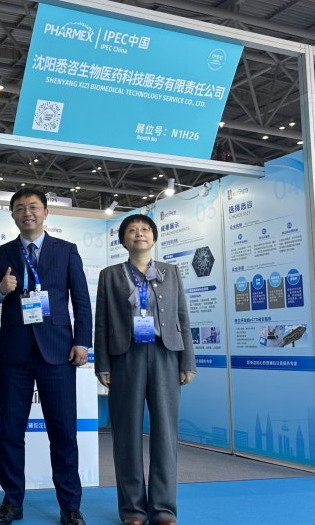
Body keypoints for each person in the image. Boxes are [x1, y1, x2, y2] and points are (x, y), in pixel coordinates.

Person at [0, 188, 92, 525]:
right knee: (11, 432)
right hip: (15, 354)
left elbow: (81, 301)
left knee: (63, 432)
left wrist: (82, 342)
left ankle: (70, 506)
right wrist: (1, 290)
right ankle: (12, 502)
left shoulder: (66, 250)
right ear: (12, 214)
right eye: (19, 208)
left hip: (57, 351)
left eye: (33, 207)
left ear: (45, 212)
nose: (27, 213)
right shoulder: (1, 253)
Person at [94, 214, 196, 525]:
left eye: (145, 229)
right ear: (123, 240)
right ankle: (132, 510)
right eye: (132, 230)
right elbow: (102, 323)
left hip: (166, 355)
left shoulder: (170, 272)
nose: (139, 233)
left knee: (165, 433)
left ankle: (163, 509)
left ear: (153, 237)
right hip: (126, 356)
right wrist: (102, 364)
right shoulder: (110, 275)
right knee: (126, 434)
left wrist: (187, 361)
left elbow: (183, 317)